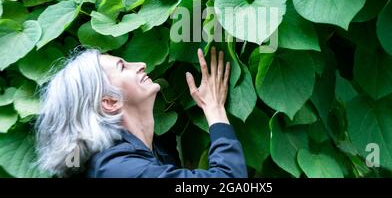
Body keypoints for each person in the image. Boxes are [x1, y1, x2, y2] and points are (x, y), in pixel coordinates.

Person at [35, 45, 247, 178]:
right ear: (109, 101)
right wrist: (215, 109)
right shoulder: (118, 170)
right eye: (123, 67)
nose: (141, 64)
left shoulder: (152, 148)